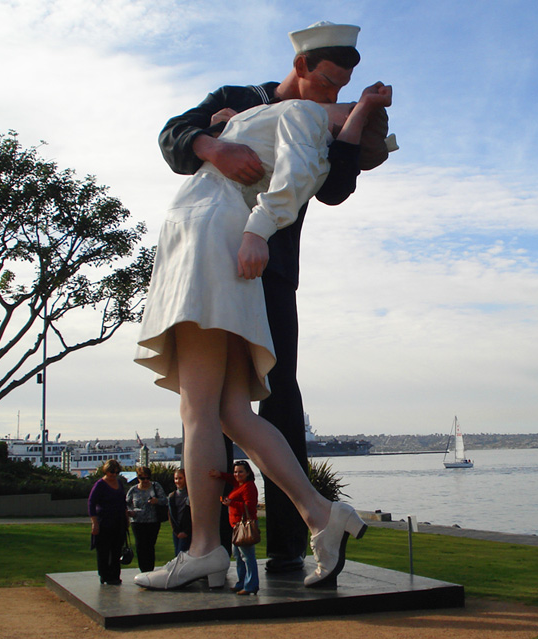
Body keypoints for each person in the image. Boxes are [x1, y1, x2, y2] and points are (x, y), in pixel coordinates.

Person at [133, 83, 389, 590]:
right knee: (229, 412)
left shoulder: (299, 114)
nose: (332, 101)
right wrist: (220, 131)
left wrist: (256, 225)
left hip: (207, 234)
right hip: (214, 236)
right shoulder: (274, 110)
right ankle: (319, 513)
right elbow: (177, 136)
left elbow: (309, 176)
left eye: (342, 104)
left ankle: (206, 548)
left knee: (198, 410)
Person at [210, 461, 260, 595]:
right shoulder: (239, 484)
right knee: (238, 556)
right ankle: (242, 582)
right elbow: (231, 478)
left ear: (248, 472)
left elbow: (250, 507)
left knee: (248, 557)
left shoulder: (248, 487)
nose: (237, 474)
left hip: (244, 526)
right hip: (236, 526)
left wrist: (232, 503)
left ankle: (251, 585)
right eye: (236, 471)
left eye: (241, 472)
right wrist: (219, 474)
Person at [87, 459, 128, 585]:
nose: (114, 475)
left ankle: (115, 575)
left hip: (118, 521)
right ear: (106, 471)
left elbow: (122, 502)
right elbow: (91, 503)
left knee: (116, 550)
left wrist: (126, 518)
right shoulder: (100, 484)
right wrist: (94, 522)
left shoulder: (119, 483)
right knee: (104, 550)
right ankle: (105, 575)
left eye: (116, 472)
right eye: (111, 472)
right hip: (104, 521)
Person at [126, 466, 169, 572]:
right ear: (138, 478)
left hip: (152, 521)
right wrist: (130, 512)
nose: (145, 481)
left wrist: (157, 501)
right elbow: (126, 503)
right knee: (140, 546)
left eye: (147, 478)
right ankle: (143, 569)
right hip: (137, 522)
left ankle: (149, 568)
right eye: (142, 478)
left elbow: (165, 500)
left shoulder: (155, 486)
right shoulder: (133, 490)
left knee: (150, 545)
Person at [168, 468, 192, 556]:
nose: (178, 481)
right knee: (178, 553)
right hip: (177, 531)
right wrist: (176, 531)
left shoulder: (190, 495)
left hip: (187, 530)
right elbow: (171, 515)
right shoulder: (172, 496)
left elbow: (192, 515)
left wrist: (186, 531)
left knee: (182, 553)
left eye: (180, 478)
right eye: (176, 478)